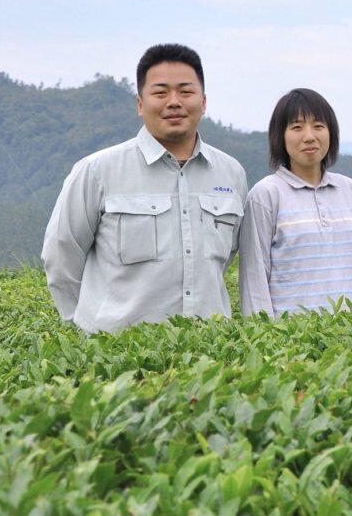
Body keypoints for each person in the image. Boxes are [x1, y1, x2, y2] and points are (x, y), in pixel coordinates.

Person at [42, 43, 248, 333]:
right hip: (117, 356)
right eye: (160, 92)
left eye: (186, 92)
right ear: (141, 104)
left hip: (208, 354)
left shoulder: (231, 173)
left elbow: (224, 259)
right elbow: (61, 254)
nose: (174, 102)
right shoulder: (98, 170)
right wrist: (86, 327)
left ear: (203, 102)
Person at [238, 89, 352, 315]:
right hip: (293, 343)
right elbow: (254, 278)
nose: (309, 136)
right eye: (297, 127)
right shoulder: (266, 194)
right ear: (280, 135)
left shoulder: (350, 190)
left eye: (318, 126)